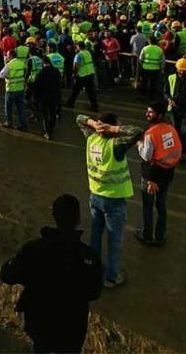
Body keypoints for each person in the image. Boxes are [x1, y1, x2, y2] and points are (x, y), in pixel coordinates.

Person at [0, 194, 103, 353]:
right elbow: (94, 293)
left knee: (41, 348)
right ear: (78, 219)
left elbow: (6, 274)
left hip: (40, 322)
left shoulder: (34, 249)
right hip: (72, 327)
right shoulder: (89, 257)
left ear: (53, 215)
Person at [76, 112, 141, 287]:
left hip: (95, 195)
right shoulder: (116, 145)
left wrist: (93, 124)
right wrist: (114, 129)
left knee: (96, 233)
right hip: (114, 200)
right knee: (115, 239)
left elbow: (79, 119)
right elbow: (137, 132)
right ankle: (112, 276)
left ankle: (93, 267)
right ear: (110, 127)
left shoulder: (91, 139)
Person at [135, 101, 181, 246]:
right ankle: (160, 236)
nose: (147, 114)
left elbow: (146, 156)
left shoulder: (151, 133)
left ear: (159, 115)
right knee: (161, 206)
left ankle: (147, 234)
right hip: (167, 173)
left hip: (151, 175)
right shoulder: (171, 129)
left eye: (150, 112)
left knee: (148, 206)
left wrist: (139, 144)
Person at [165, 57, 186, 161]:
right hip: (174, 110)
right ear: (176, 69)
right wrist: (169, 100)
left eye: (184, 70)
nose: (181, 72)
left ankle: (183, 154)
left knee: (185, 132)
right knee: (175, 131)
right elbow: (165, 91)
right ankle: (174, 152)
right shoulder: (171, 78)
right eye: (180, 69)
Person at [35, 55, 62, 140]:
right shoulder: (56, 71)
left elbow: (38, 86)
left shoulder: (41, 72)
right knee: (53, 112)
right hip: (54, 95)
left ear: (43, 63)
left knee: (45, 114)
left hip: (44, 97)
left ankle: (47, 132)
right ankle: (51, 127)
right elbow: (59, 83)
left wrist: (36, 98)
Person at [66, 40, 98, 110]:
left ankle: (70, 103)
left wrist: (74, 75)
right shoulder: (88, 52)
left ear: (78, 47)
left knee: (75, 90)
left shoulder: (79, 55)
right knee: (91, 91)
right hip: (90, 73)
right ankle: (95, 106)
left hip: (82, 75)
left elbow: (76, 66)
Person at [0, 49, 27, 130]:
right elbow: (25, 72)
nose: (7, 57)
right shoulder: (22, 63)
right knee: (21, 108)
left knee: (8, 108)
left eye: (8, 55)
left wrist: (5, 64)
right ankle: (23, 125)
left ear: (11, 56)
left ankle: (9, 123)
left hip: (10, 90)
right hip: (20, 89)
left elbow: (1, 75)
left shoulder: (9, 65)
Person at [138, 36, 164, 100]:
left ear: (149, 41)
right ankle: (152, 96)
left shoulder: (145, 48)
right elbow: (163, 60)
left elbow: (140, 59)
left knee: (144, 82)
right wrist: (161, 68)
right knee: (153, 83)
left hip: (145, 68)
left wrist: (142, 65)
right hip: (155, 69)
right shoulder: (159, 49)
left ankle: (143, 94)